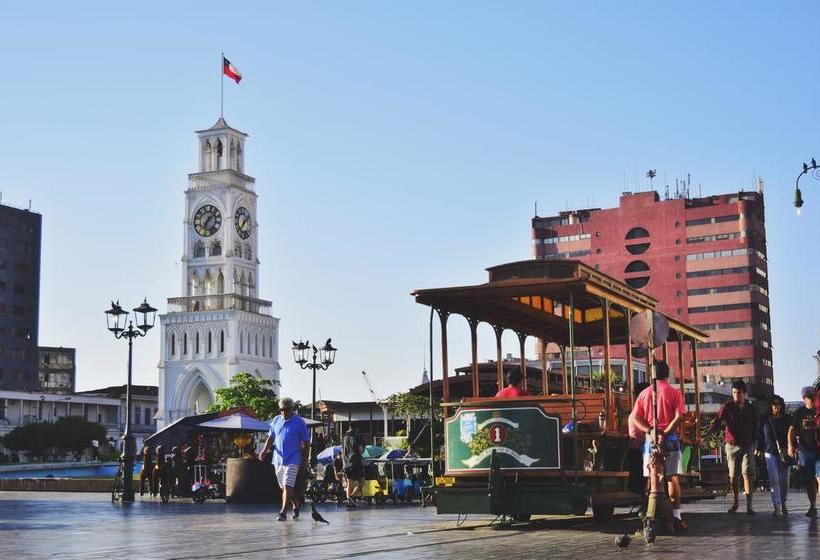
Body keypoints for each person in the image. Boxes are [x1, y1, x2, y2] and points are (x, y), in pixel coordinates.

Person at [628, 361, 687, 531]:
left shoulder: (644, 394)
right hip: (670, 439)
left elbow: (635, 418)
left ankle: (649, 517)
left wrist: (651, 431)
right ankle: (676, 517)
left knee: (650, 479)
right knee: (672, 478)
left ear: (651, 375)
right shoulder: (674, 392)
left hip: (649, 441)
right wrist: (665, 433)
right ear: (666, 374)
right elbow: (678, 417)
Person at [710, 380, 758, 514]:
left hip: (748, 444)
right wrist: (707, 434)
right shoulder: (727, 407)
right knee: (733, 475)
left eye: (739, 393)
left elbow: (756, 426)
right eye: (734, 393)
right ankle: (736, 502)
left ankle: (749, 506)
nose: (736, 395)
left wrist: (756, 444)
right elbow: (717, 421)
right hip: (732, 445)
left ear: (745, 394)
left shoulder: (751, 408)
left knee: (747, 473)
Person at [258, 397, 310, 521]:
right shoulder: (276, 420)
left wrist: (305, 460)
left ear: (292, 409)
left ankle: (283, 512)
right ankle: (296, 504)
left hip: (293, 458)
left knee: (287, 485)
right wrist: (264, 451)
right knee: (284, 487)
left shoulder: (299, 422)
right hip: (278, 459)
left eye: (286, 410)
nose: (283, 412)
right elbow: (271, 437)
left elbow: (307, 442)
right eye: (281, 409)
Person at [756, 394, 791, 515]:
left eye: (779, 404)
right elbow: (760, 435)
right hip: (769, 451)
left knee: (784, 480)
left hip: (785, 452)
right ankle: (777, 505)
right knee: (774, 479)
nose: (777, 407)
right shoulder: (764, 419)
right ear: (770, 406)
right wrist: (758, 449)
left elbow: (791, 434)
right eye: (774, 404)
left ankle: (783, 501)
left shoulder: (787, 418)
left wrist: (793, 448)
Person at [788, 386, 819, 518]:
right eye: (809, 397)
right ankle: (812, 506)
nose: (812, 400)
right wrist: (790, 445)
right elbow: (791, 430)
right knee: (809, 480)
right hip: (806, 450)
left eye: (813, 397)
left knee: (819, 477)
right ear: (804, 398)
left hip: (819, 450)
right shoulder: (799, 412)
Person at [342, 426, 364, 508]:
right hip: (355, 463)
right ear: (356, 429)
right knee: (361, 483)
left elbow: (342, 452)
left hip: (346, 464)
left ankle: (349, 502)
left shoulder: (344, 439)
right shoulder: (357, 437)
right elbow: (361, 450)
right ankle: (352, 497)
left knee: (349, 483)